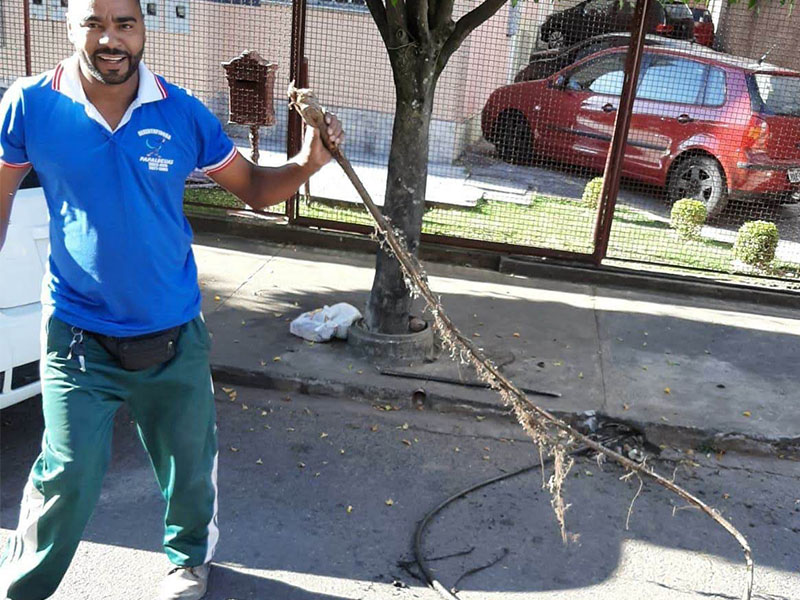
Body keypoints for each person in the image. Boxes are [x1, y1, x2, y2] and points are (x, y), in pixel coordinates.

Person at [0, 0, 343, 598]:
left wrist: (308, 161)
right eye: (94, 23)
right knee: (69, 473)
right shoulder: (30, 104)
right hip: (77, 334)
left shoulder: (182, 113)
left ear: (142, 29)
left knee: (189, 464)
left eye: (124, 24)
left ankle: (188, 562)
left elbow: (256, 190)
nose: (110, 39)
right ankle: (23, 586)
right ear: (70, 25)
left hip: (173, 332)